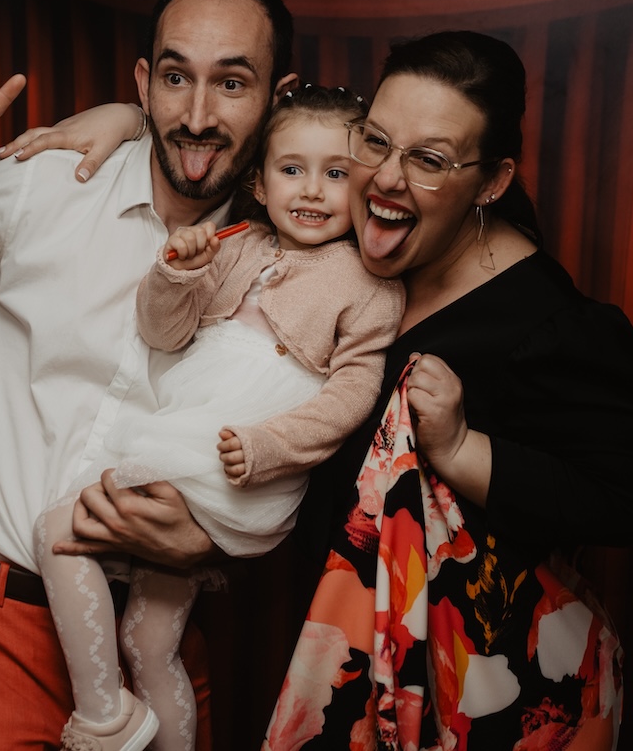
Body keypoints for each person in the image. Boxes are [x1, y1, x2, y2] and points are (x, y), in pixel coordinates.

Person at [6, 30, 633, 750]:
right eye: (376, 142)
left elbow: (622, 501)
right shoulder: (336, 252)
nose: (385, 177)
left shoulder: (549, 324)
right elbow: (259, 123)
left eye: (430, 161)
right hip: (346, 671)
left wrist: (462, 448)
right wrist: (124, 117)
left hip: (476, 700)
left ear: (494, 181)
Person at [0, 0, 299, 749]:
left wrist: (211, 539)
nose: (195, 114)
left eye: (231, 83)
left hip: (153, 635)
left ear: (278, 99)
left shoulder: (288, 254)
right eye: (175, 78)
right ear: (143, 83)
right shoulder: (45, 182)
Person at [33, 85, 404, 750]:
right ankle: (148, 726)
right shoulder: (235, 243)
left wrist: (268, 446)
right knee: (148, 642)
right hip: (187, 442)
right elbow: (164, 334)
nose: (313, 190)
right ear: (259, 182)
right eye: (293, 170)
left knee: (57, 525)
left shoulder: (368, 280)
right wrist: (176, 273)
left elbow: (353, 397)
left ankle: (102, 716)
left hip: (230, 460)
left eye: (337, 173)